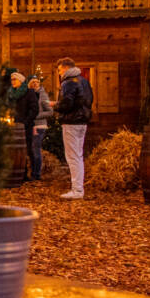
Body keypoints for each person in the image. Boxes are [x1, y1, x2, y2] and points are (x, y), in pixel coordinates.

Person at [54, 57, 93, 199]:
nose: (59, 73)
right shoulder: (84, 81)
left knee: (72, 156)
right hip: (83, 122)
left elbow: (67, 104)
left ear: (65, 68)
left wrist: (55, 105)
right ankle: (78, 188)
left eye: (59, 70)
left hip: (71, 122)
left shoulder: (68, 82)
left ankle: (77, 190)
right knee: (79, 155)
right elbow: (88, 100)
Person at [10, 72, 40, 181]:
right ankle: (17, 172)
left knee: (27, 149)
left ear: (21, 80)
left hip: (25, 126)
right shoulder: (11, 94)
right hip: (14, 126)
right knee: (15, 150)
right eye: (12, 79)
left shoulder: (29, 93)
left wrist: (26, 122)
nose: (12, 81)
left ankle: (29, 173)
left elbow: (34, 109)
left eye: (15, 79)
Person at [28, 75, 53, 181]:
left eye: (36, 82)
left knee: (35, 149)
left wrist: (36, 115)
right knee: (31, 151)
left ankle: (36, 174)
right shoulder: (28, 95)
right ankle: (32, 173)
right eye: (32, 82)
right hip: (30, 126)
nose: (34, 84)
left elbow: (50, 112)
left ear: (39, 83)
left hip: (39, 126)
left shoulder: (43, 96)